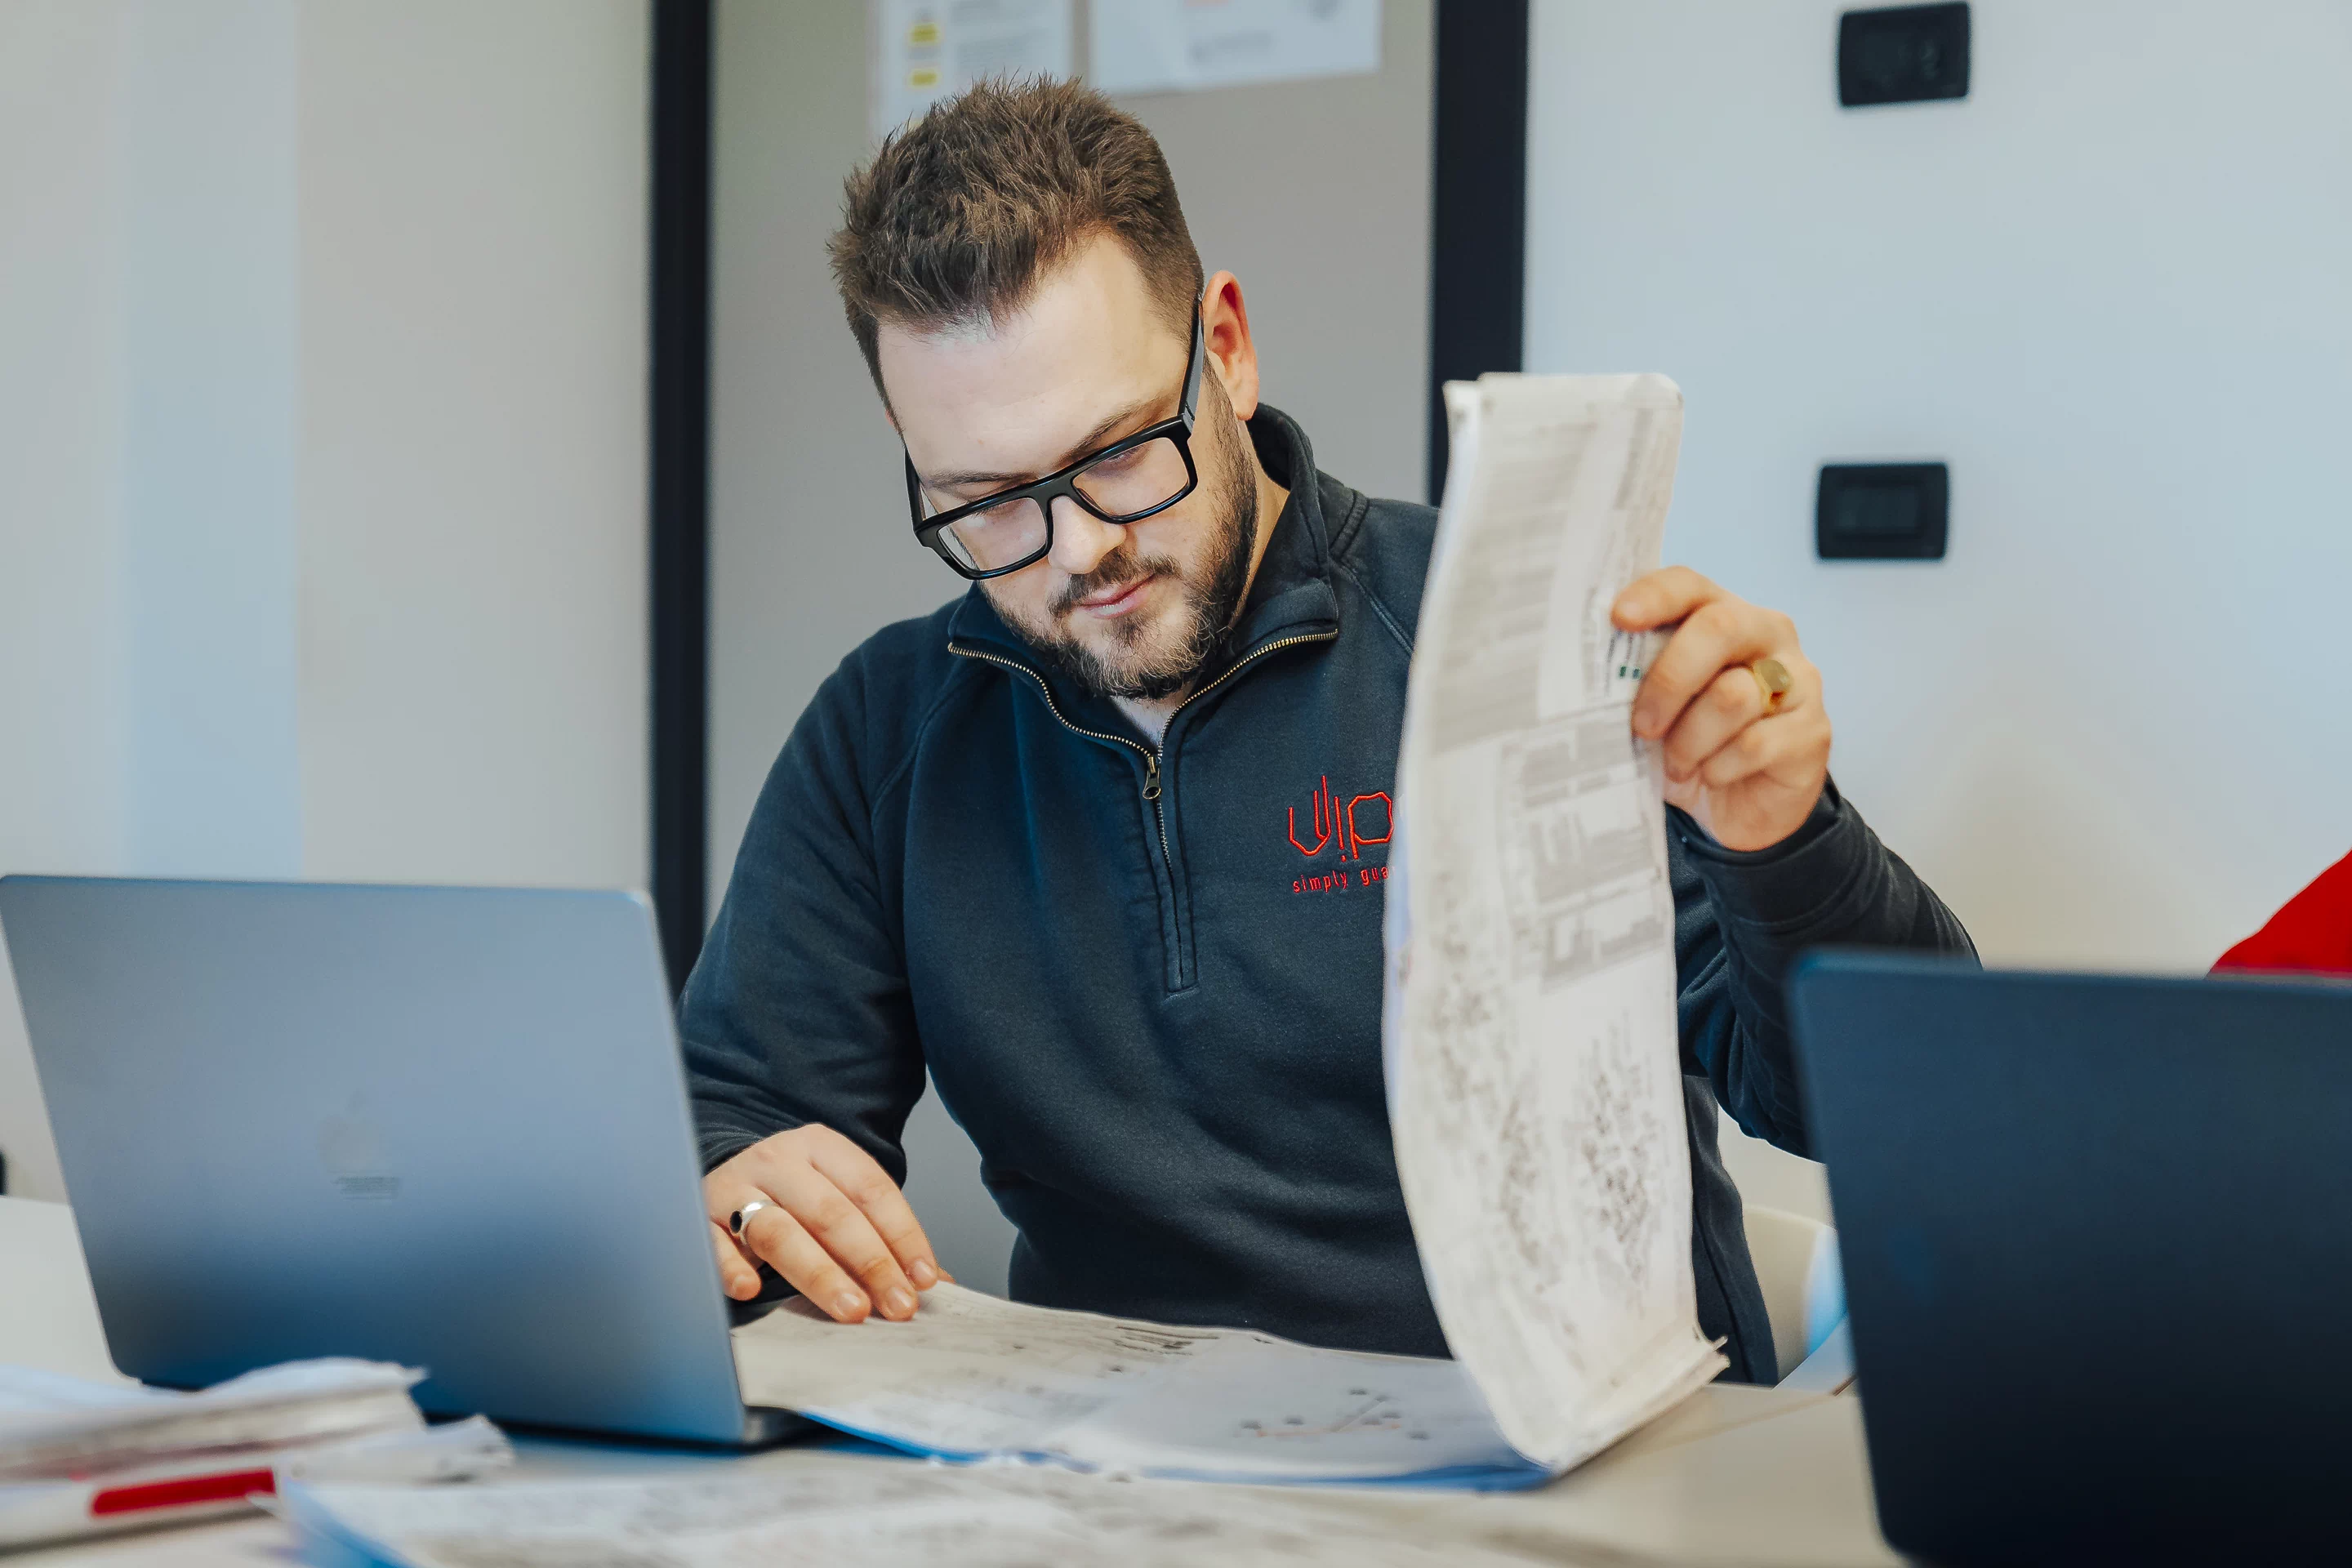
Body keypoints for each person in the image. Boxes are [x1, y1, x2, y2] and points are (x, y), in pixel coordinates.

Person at [681, 80, 1974, 1383]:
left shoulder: (1515, 641)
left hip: (1565, 1446)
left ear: (1227, 349)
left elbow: (1903, 1109)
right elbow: (728, 1108)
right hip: (1119, 1459)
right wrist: (729, 1180)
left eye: (1119, 453)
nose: (1078, 552)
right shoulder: (889, 733)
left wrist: (1781, 842)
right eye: (987, 501)